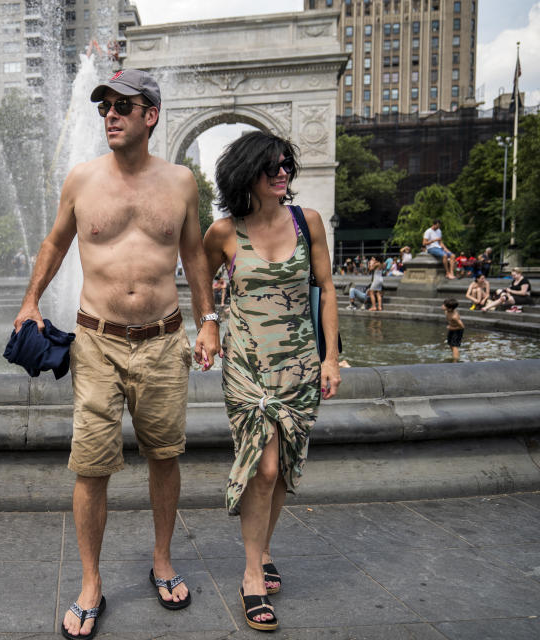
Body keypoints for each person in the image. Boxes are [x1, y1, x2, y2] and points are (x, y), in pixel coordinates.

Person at [12, 69, 217, 640]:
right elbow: (55, 242)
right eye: (105, 107)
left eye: (123, 106)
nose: (110, 115)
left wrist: (210, 324)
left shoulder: (180, 183)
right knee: (91, 465)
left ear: (150, 115)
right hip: (97, 342)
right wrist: (30, 301)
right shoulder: (81, 179)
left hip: (162, 339)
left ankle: (162, 559)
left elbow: (195, 255)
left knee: (164, 455)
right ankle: (90, 581)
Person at [204, 130, 341, 632]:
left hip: (300, 365)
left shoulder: (309, 224)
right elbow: (200, 276)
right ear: (247, 175)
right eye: (271, 166)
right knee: (262, 467)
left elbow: (326, 289)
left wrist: (331, 358)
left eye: (286, 164)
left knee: (282, 468)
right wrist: (209, 323)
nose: (282, 172)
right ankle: (251, 576)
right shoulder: (223, 233)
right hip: (247, 367)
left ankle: (261, 550)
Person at [443, 298, 464, 362]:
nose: (442, 306)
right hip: (451, 329)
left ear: (450, 308)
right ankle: (455, 355)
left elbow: (462, 326)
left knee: (455, 345)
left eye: (444, 305)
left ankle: (455, 361)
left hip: (458, 330)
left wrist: (452, 328)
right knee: (450, 343)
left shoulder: (454, 317)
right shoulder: (446, 311)